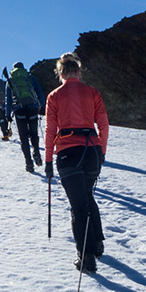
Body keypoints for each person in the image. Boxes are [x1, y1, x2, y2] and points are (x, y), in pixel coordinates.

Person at [43, 52, 109, 273]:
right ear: (78, 71)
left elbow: (51, 129)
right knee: (87, 196)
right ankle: (97, 243)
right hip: (91, 149)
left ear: (61, 73)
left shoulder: (54, 96)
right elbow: (104, 124)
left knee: (78, 204)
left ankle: (86, 256)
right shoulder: (92, 92)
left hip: (68, 152)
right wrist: (101, 151)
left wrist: (48, 160)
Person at [5, 62, 46, 172]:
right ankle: (36, 152)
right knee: (34, 133)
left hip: (19, 110)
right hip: (32, 108)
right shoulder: (30, 77)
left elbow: (8, 99)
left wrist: (8, 114)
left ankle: (29, 163)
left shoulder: (10, 81)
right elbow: (39, 91)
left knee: (23, 137)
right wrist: (42, 105)